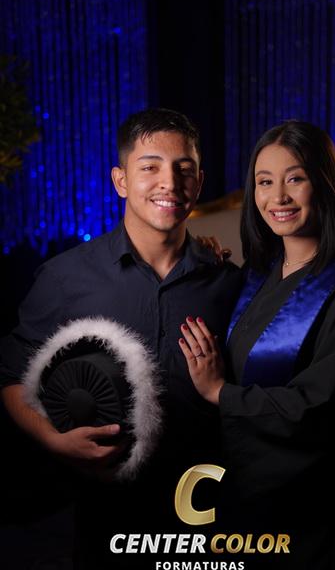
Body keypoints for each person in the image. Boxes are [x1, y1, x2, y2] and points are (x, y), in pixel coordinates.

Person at [0, 108, 242, 568]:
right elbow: (10, 373)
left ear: (199, 182)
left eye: (184, 169)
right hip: (106, 519)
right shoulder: (65, 277)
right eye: (150, 167)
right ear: (121, 181)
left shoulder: (230, 283)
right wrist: (52, 439)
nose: (169, 182)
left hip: (207, 514)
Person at [179, 120, 335, 569]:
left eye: (295, 179)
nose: (277, 197)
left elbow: (324, 411)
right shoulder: (258, 278)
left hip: (317, 521)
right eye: (264, 182)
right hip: (251, 509)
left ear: (324, 183)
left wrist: (220, 393)